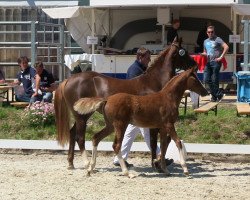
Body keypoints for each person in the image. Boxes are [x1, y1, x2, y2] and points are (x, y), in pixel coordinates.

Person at [113, 47, 173, 167]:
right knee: (146, 133)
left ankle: (118, 159)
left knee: (131, 134)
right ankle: (159, 156)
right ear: (140, 57)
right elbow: (137, 91)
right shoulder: (134, 70)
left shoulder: (140, 68)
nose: (149, 60)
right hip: (139, 108)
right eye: (147, 58)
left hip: (137, 108)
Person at [201, 25, 229, 102]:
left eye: (212, 32)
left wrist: (221, 57)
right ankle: (219, 94)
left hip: (216, 62)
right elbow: (205, 52)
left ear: (214, 32)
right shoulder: (205, 41)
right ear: (207, 33)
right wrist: (203, 54)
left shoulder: (218, 39)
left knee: (214, 80)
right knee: (206, 79)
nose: (210, 33)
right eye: (209, 32)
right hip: (208, 62)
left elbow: (226, 47)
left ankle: (214, 97)